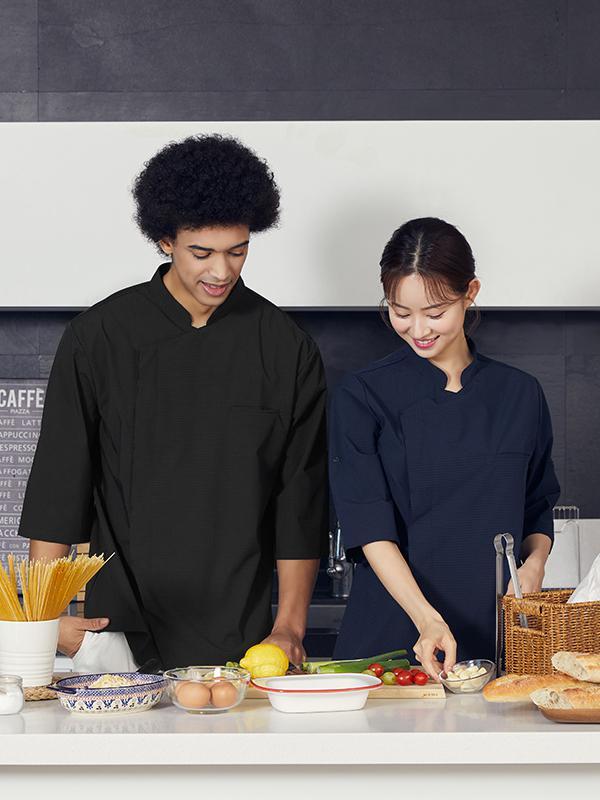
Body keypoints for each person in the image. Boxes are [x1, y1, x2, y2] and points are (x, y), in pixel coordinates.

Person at [19, 134, 328, 671]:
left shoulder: (286, 348)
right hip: (115, 634)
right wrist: (43, 621)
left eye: (238, 251)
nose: (222, 271)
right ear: (165, 240)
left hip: (243, 640)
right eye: (201, 253)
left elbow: (299, 500)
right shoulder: (99, 336)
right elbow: (59, 485)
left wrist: (290, 628)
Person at [329, 217, 560, 679]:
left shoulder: (520, 394)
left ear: (470, 292)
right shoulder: (363, 395)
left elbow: (537, 506)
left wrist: (534, 566)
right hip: (393, 640)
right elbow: (369, 527)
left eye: (435, 313)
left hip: (499, 638)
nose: (418, 329)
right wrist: (428, 620)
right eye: (400, 312)